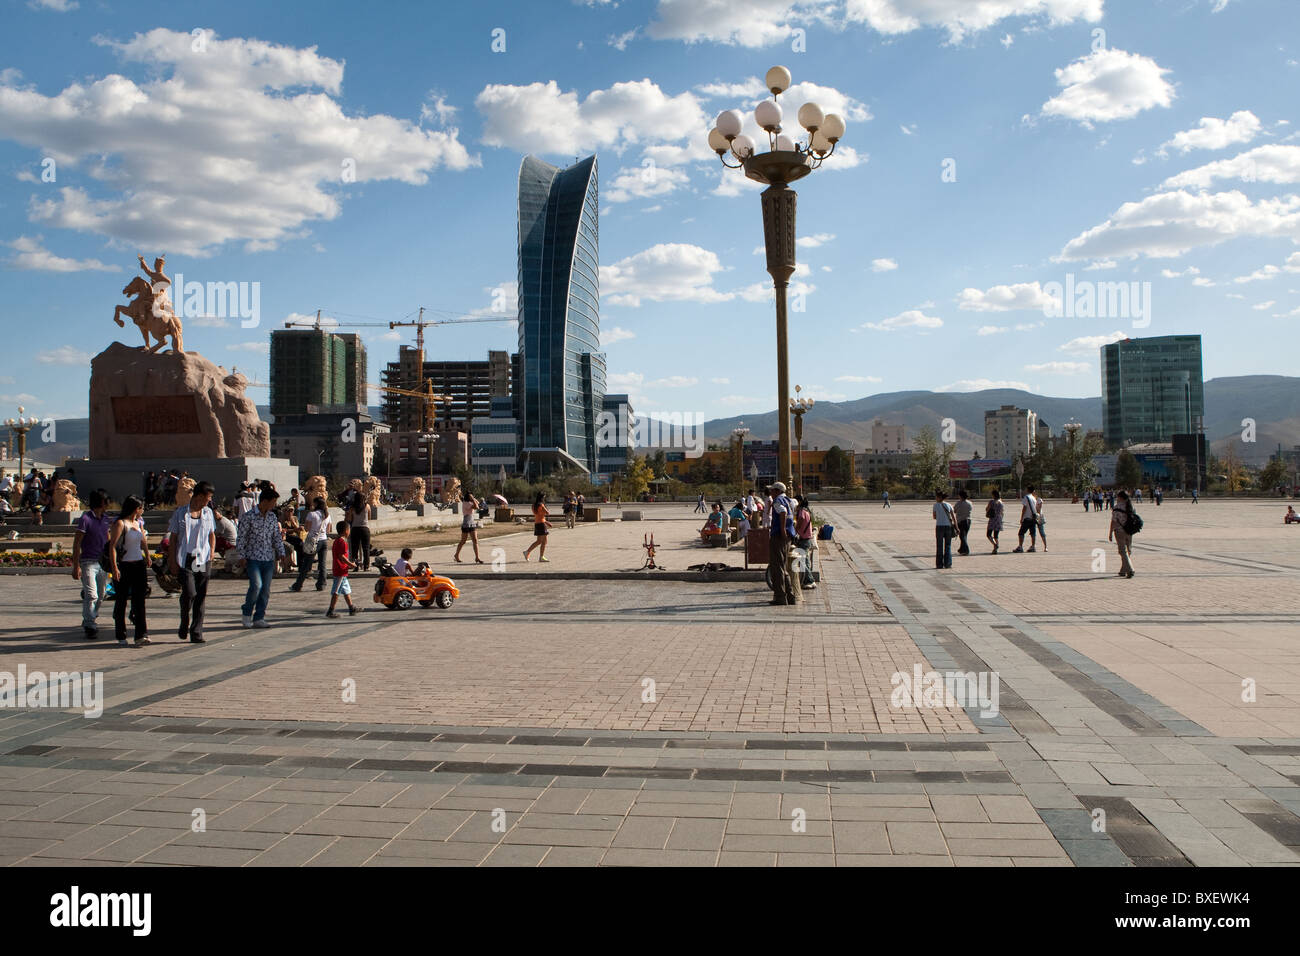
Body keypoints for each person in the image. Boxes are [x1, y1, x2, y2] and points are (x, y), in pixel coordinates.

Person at [234, 487, 291, 629]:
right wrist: (241, 555)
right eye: (273, 501)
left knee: (265, 589)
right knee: (256, 586)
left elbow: (276, 537)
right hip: (253, 558)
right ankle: (247, 613)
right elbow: (241, 538)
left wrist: (282, 553)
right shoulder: (248, 517)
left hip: (268, 558)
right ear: (265, 501)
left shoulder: (272, 517)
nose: (274, 505)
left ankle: (259, 617)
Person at [168, 480, 217, 643]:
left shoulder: (208, 513)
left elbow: (212, 534)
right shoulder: (181, 513)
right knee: (190, 593)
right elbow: (173, 538)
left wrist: (211, 553)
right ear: (199, 496)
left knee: (201, 595)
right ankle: (184, 619)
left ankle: (196, 631)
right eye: (208, 497)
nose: (209, 501)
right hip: (185, 558)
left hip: (202, 558)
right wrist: (172, 560)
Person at [70, 488, 114, 639]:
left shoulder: (105, 519)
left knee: (102, 595)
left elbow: (108, 540)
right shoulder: (85, 519)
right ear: (101, 502)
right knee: (91, 594)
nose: (108, 504)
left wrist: (112, 562)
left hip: (102, 562)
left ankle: (90, 618)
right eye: (106, 501)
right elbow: (77, 544)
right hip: (88, 562)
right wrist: (76, 566)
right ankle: (90, 624)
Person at [108, 495, 151, 646]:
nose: (143, 510)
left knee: (140, 601)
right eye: (141, 508)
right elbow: (112, 546)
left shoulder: (138, 523)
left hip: (138, 565)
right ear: (135, 509)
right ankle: (121, 634)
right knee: (121, 600)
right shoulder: (120, 523)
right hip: (124, 566)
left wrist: (147, 555)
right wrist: (114, 567)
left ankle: (141, 634)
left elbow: (143, 540)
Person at [291, 496, 330, 592]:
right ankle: (321, 584)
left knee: (306, 564)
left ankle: (298, 584)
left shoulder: (311, 514)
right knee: (323, 564)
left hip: (313, 540)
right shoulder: (327, 515)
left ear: (316, 504)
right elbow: (328, 529)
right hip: (324, 540)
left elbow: (307, 529)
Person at [767, 482, 797, 605]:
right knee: (783, 566)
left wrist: (783, 529)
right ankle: (790, 595)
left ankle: (780, 597)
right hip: (788, 536)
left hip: (779, 536)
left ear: (777, 491)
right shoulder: (789, 500)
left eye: (772, 490)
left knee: (777, 566)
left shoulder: (778, 500)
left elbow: (783, 512)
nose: (771, 493)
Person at [325, 519, 359, 618]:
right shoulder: (342, 542)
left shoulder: (337, 541)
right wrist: (350, 564)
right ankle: (330, 610)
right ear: (346, 531)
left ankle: (351, 607)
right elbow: (341, 556)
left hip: (342, 570)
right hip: (340, 569)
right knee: (336, 591)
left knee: (346, 590)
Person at [1110, 489, 1136, 579]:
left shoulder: (1117, 507)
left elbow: (1113, 521)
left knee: (1122, 551)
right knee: (1127, 551)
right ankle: (1123, 570)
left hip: (1119, 531)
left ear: (1120, 497)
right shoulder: (1131, 506)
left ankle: (1130, 569)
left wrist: (1110, 533)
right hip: (1129, 531)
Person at [454, 489, 485, 563]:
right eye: (471, 496)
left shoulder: (470, 502)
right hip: (466, 524)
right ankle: (456, 555)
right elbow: (477, 507)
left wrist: (473, 498)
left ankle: (477, 557)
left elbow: (478, 504)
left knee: (475, 540)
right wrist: (472, 499)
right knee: (463, 541)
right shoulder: (466, 503)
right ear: (468, 497)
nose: (472, 497)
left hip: (472, 523)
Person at [346, 483, 372, 572]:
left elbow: (349, 519)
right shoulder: (367, 506)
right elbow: (369, 517)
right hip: (365, 528)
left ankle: (356, 565)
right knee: (366, 548)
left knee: (355, 548)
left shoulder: (352, 508)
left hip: (355, 528)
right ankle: (366, 566)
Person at [794, 495, 815, 589]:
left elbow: (801, 519)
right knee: (805, 561)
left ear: (799, 501)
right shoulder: (806, 511)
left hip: (804, 539)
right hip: (807, 538)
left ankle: (810, 581)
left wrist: (796, 529)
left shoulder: (802, 511)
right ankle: (808, 580)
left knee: (803, 561)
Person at [523, 492, 551, 562]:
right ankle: (538, 556)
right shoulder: (541, 504)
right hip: (541, 524)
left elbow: (538, 515)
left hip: (537, 523)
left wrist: (546, 522)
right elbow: (547, 512)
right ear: (542, 497)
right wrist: (545, 508)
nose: (544, 498)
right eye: (544, 497)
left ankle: (529, 553)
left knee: (540, 541)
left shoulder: (533, 505)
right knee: (543, 541)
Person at [932, 489, 956, 569]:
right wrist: (957, 527)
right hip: (948, 527)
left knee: (939, 546)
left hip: (939, 526)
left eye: (936, 497)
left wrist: (940, 517)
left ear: (939, 497)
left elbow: (934, 517)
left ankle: (939, 564)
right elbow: (953, 517)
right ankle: (948, 564)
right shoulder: (949, 505)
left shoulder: (935, 505)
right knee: (948, 545)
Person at [1012, 485, 1039, 553]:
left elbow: (1024, 508)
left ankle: (1020, 547)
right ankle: (1033, 546)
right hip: (1033, 517)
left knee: (1021, 533)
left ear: (1028, 490)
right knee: (1033, 533)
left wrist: (1021, 518)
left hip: (1027, 518)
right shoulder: (1034, 498)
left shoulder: (1026, 497)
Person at [280, 505, 303, 570]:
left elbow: (298, 530)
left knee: (301, 544)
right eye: (289, 511)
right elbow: (283, 530)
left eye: (292, 511)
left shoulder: (294, 518)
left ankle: (301, 564)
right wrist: (293, 530)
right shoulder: (282, 519)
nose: (290, 513)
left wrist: (293, 523)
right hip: (286, 536)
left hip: (294, 536)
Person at [953, 489, 973, 556]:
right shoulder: (970, 503)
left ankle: (966, 549)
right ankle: (961, 549)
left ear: (960, 496)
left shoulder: (958, 503)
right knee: (964, 535)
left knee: (962, 536)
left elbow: (954, 511)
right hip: (968, 520)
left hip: (961, 521)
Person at [985, 488, 1004, 554]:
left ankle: (995, 544)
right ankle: (996, 549)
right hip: (999, 519)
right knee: (996, 535)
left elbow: (987, 509)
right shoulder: (1001, 502)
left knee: (988, 534)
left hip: (993, 519)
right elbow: (1002, 512)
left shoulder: (991, 501)